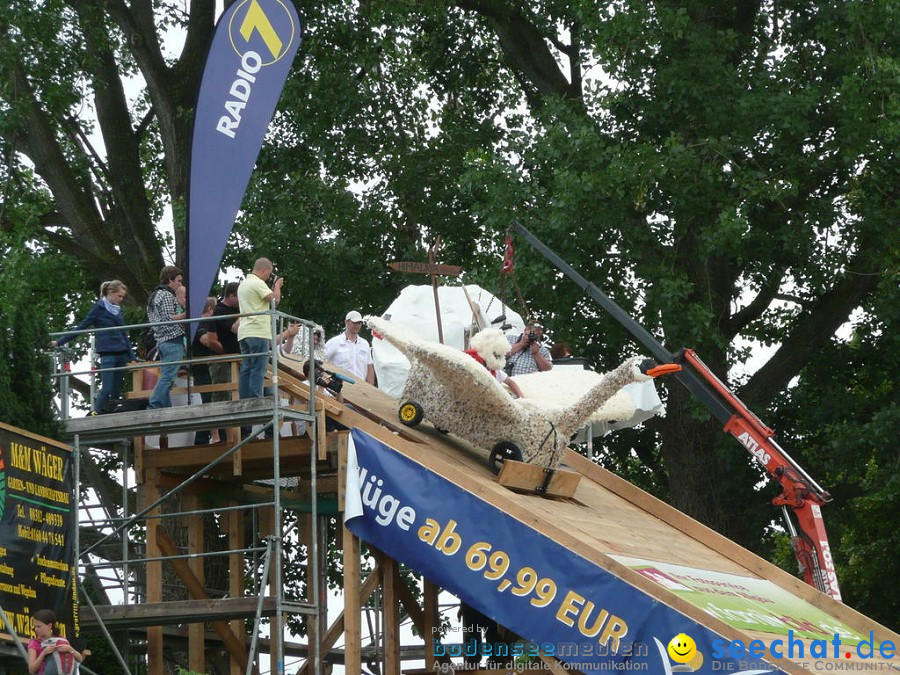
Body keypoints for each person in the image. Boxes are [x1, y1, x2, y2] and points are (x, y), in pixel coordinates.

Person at [52, 280, 135, 414]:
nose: (121, 300)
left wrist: (132, 357)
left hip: (122, 352)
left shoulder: (118, 310)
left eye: (122, 297)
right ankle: (94, 413)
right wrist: (59, 342)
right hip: (108, 353)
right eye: (119, 296)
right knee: (107, 389)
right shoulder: (98, 308)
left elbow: (124, 333)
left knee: (116, 391)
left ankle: (113, 414)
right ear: (111, 293)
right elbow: (81, 327)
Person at [237, 258, 283, 401]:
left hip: (244, 331)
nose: (268, 277)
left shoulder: (243, 284)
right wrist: (277, 286)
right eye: (268, 274)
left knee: (247, 367)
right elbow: (275, 300)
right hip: (257, 331)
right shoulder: (257, 283)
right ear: (264, 270)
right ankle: (256, 399)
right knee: (258, 368)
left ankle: (244, 399)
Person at [146, 266, 185, 409]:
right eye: (179, 281)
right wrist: (185, 315)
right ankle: (154, 404)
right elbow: (169, 318)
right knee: (168, 377)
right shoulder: (167, 295)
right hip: (172, 339)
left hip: (161, 340)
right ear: (170, 279)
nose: (180, 284)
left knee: (167, 377)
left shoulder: (154, 295)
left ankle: (165, 408)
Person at [192, 297, 223, 444]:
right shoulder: (200, 323)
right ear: (210, 309)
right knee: (209, 402)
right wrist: (222, 346)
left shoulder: (196, 323)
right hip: (204, 368)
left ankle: (211, 437)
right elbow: (205, 340)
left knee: (211, 401)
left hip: (205, 368)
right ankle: (211, 438)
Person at [466, 328, 524, 398]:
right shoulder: (469, 361)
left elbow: (510, 382)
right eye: (496, 355)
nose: (498, 358)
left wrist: (522, 398)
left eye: (499, 355)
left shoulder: (493, 369)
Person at [323, 311, 375, 384]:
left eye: (359, 323)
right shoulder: (334, 342)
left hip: (361, 388)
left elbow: (369, 367)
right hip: (339, 387)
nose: (357, 325)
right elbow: (322, 362)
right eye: (354, 323)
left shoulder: (365, 344)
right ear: (346, 322)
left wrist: (371, 390)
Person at [211, 282, 240, 403]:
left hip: (237, 358)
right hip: (223, 359)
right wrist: (245, 312)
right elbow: (235, 328)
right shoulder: (218, 310)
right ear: (231, 296)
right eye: (240, 297)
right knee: (223, 394)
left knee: (236, 393)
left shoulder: (235, 309)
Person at [27, 609, 82, 674]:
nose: (36, 629)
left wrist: (70, 649)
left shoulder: (60, 639)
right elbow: (31, 670)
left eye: (39, 626)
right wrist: (43, 653)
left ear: (49, 625)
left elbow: (80, 659)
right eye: (35, 627)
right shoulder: (34, 643)